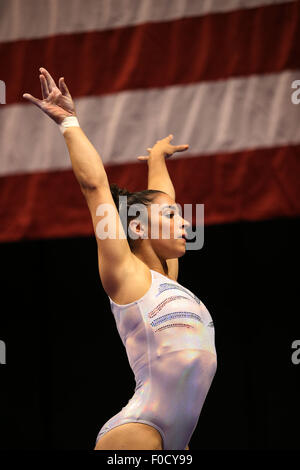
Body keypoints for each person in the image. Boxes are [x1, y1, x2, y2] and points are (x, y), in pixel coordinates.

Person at [23, 68, 217, 451]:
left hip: (177, 441)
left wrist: (157, 159)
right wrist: (68, 122)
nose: (185, 224)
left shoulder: (166, 276)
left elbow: (160, 196)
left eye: (180, 215)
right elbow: (95, 187)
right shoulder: (127, 277)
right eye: (171, 217)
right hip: (137, 431)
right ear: (139, 229)